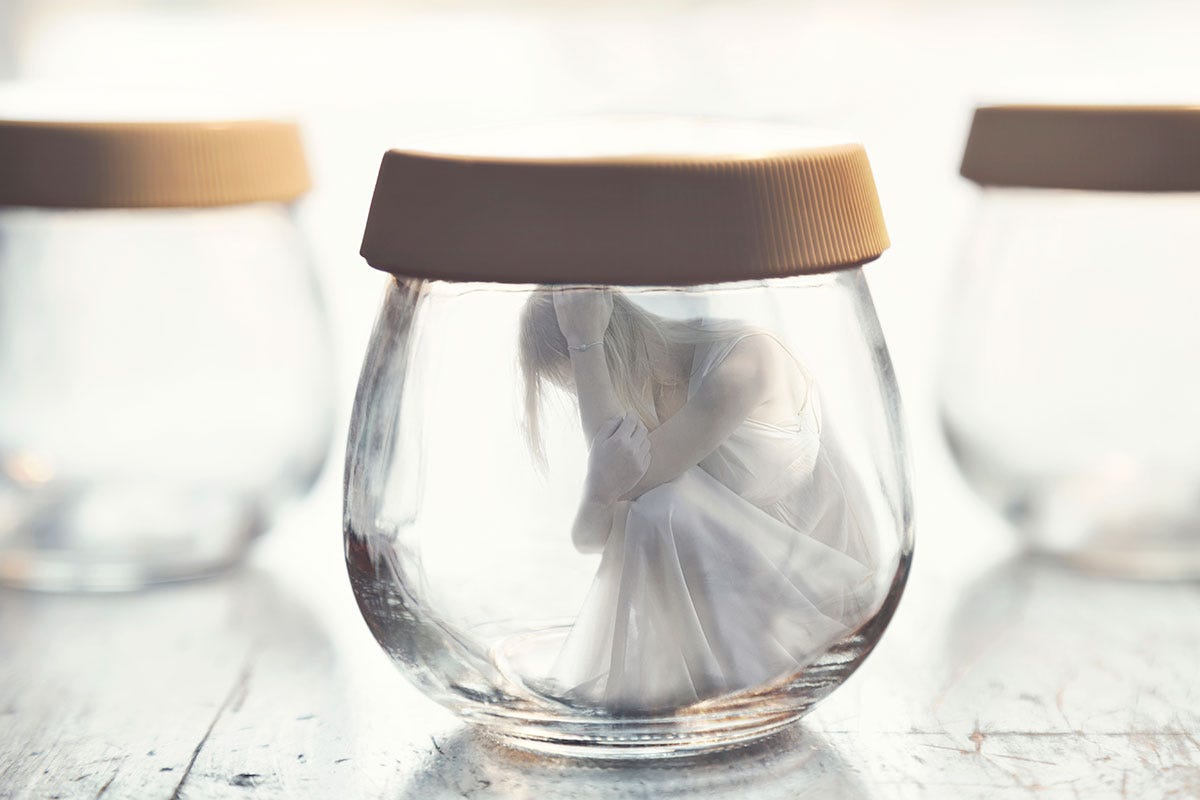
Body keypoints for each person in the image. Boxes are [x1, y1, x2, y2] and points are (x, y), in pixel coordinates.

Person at [519, 287, 878, 712]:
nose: (588, 398)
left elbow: (629, 488)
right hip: (745, 608)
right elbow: (595, 533)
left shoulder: (746, 361)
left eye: (583, 383)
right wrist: (600, 494)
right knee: (649, 512)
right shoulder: (653, 404)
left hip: (813, 601)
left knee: (658, 508)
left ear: (608, 349)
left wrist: (585, 341)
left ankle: (692, 698)